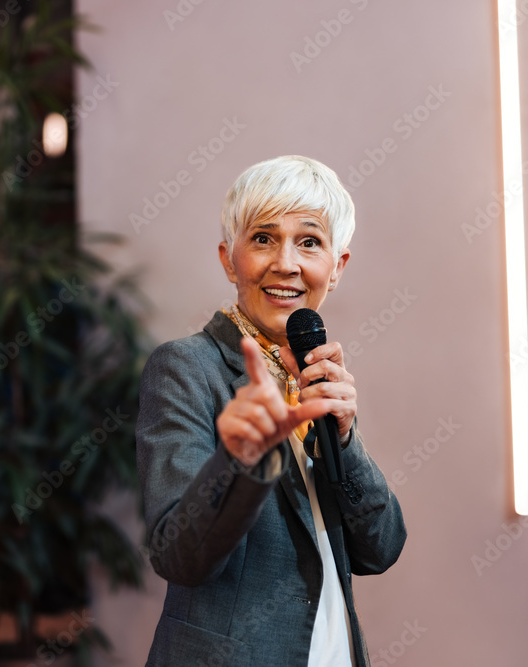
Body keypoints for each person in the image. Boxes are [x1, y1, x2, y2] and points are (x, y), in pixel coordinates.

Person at [136, 155, 407, 666]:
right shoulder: (186, 368)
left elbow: (382, 547)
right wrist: (241, 458)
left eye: (309, 241)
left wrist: (346, 440)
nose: (286, 263)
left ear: (338, 266)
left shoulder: (318, 374)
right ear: (227, 258)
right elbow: (178, 554)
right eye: (263, 238)